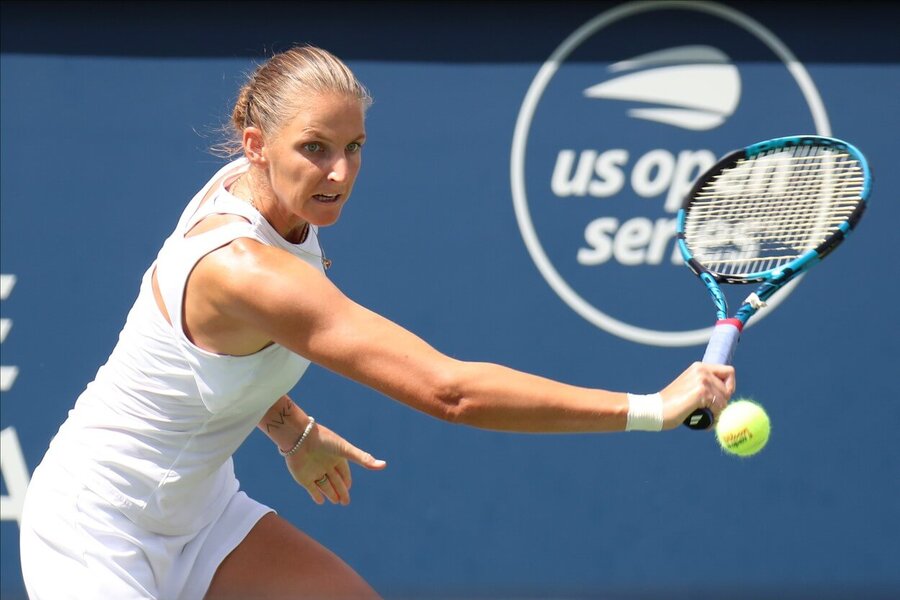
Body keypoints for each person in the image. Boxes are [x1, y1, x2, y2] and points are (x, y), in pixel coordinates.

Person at [19, 45, 734, 599]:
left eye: (353, 147)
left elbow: (205, 361)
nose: (338, 173)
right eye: (315, 149)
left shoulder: (269, 204)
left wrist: (290, 429)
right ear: (254, 142)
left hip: (200, 512)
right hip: (95, 527)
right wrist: (651, 409)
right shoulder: (245, 269)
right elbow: (450, 391)